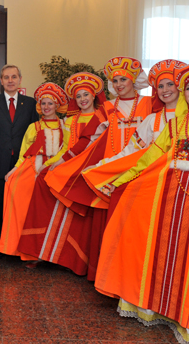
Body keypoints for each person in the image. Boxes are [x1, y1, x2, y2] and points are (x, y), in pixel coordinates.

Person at [95, 56, 189, 344]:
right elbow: (151, 156)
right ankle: (158, 307)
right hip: (170, 196)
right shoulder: (175, 125)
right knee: (162, 250)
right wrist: (126, 177)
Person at [45, 57, 152, 280]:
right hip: (110, 172)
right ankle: (104, 273)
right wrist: (63, 160)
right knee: (107, 220)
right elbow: (88, 138)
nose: (119, 84)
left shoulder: (149, 104)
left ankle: (130, 275)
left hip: (141, 169)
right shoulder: (107, 107)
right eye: (115, 81)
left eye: (123, 79)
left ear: (133, 80)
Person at [18, 73, 106, 273]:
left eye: (86, 95)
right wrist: (53, 164)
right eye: (78, 96)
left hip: (92, 169)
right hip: (70, 166)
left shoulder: (103, 119)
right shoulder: (69, 121)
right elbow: (65, 148)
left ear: (93, 96)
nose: (82, 99)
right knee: (44, 183)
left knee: (81, 217)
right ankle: (41, 251)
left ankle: (76, 261)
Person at [83, 59, 187, 199]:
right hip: (154, 181)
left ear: (179, 87)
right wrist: (100, 166)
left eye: (170, 84)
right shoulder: (152, 120)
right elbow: (131, 150)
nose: (165, 90)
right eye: (160, 86)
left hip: (184, 181)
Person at [0, 82, 67, 259]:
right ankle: (22, 250)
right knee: (23, 205)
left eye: (50, 103)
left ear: (57, 106)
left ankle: (48, 253)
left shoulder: (65, 125)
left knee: (50, 212)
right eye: (43, 103)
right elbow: (23, 153)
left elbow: (67, 149)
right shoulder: (33, 127)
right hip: (33, 169)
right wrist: (14, 170)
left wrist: (51, 164)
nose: (46, 107)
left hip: (56, 169)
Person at [0, 65, 39, 258]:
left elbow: (36, 135)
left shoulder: (30, 104)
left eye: (14, 77)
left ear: (20, 79)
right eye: (6, 77)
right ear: (1, 81)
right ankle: (1, 246)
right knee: (0, 207)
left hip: (22, 165)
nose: (10, 80)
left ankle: (20, 246)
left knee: (20, 207)